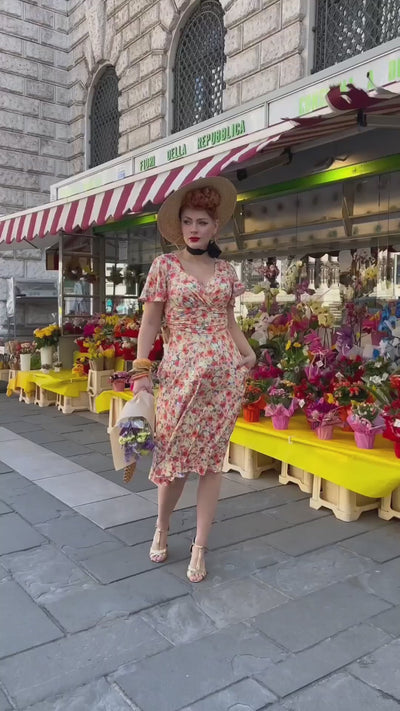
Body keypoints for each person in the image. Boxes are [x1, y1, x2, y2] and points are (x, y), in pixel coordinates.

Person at [132, 177, 256, 582]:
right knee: (173, 461)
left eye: (202, 221)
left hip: (223, 378)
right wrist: (140, 369)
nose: (195, 228)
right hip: (180, 374)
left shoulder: (225, 270)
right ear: (180, 226)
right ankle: (162, 526)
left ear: (214, 227)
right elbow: (151, 321)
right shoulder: (165, 266)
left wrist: (247, 352)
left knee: (211, 466)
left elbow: (229, 322)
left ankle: (200, 546)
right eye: (188, 221)